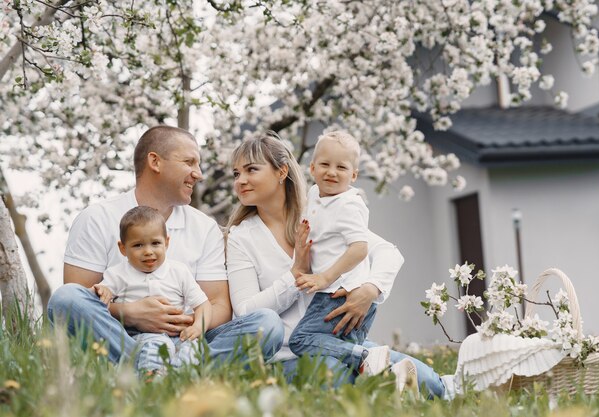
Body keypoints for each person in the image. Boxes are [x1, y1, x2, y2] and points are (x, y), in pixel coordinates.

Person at [225, 132, 447, 397]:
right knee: (339, 376)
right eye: (236, 174)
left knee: (426, 381)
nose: (241, 181)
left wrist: (370, 289)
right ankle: (378, 380)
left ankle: (451, 385)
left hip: (339, 342)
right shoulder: (242, 237)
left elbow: (387, 252)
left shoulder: (319, 211)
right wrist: (295, 275)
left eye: (251, 170)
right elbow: (247, 310)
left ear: (281, 172)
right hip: (287, 355)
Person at [48, 125, 283, 368]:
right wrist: (129, 313)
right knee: (65, 299)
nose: (199, 174)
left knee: (267, 324)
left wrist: (176, 322)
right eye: (189, 162)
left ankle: (154, 370)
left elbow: (219, 306)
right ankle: (170, 371)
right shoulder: (97, 218)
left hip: (187, 338)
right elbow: (82, 299)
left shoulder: (204, 227)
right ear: (155, 162)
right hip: (121, 337)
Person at [287, 131, 416, 390]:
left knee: (301, 340)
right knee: (347, 356)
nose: (332, 172)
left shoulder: (348, 205)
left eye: (341, 167)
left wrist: (324, 277)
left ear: (354, 176)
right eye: (324, 164)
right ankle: (389, 383)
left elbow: (359, 248)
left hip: (339, 293)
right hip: (342, 295)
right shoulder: (315, 194)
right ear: (311, 168)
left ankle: (369, 358)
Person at [92, 206, 211, 370]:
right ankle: (152, 377)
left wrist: (198, 326)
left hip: (178, 334)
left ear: (166, 243)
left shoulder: (179, 271)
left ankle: (181, 378)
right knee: (158, 345)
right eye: (138, 245)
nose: (148, 251)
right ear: (123, 248)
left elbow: (203, 304)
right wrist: (103, 291)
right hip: (138, 335)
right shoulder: (117, 274)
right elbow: (98, 299)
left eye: (155, 243)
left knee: (194, 347)